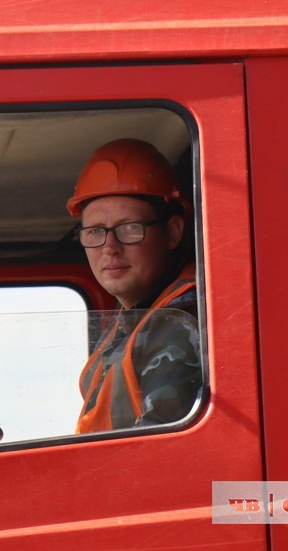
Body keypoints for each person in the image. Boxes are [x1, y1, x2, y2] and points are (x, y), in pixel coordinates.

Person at [66, 138, 201, 433]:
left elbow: (162, 448)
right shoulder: (131, 323)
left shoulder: (176, 322)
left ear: (172, 232)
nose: (110, 248)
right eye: (95, 231)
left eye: (129, 228)